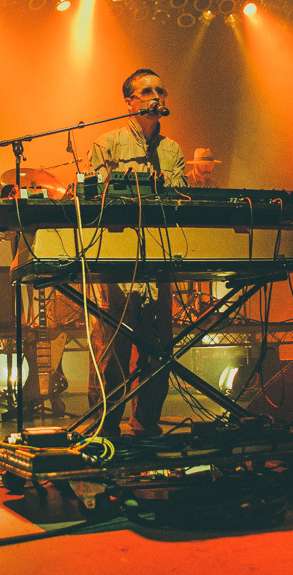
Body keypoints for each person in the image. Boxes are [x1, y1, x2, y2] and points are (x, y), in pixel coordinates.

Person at [87, 68, 187, 437]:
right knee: (113, 343)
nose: (156, 95)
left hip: (159, 257)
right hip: (117, 258)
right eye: (146, 91)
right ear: (129, 102)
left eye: (161, 89)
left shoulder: (172, 149)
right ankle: (104, 426)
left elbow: (180, 199)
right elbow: (97, 197)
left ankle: (146, 422)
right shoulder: (107, 142)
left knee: (159, 345)